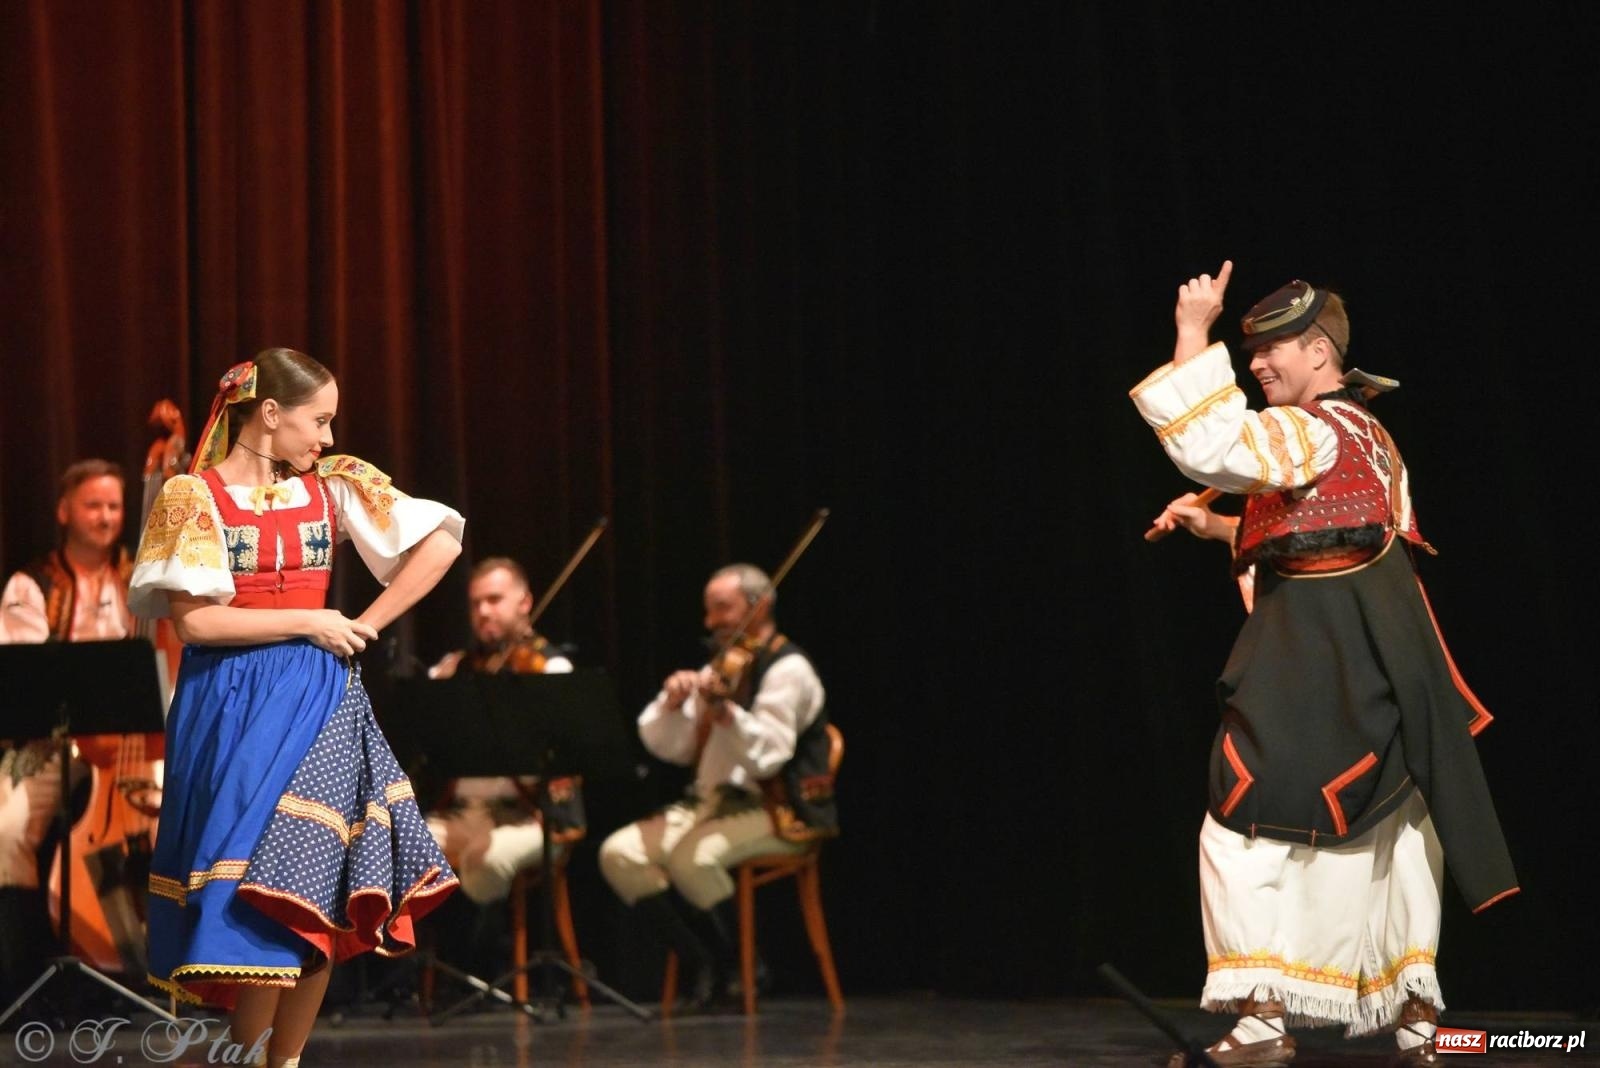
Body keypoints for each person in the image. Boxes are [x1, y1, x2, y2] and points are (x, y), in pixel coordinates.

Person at [1131, 262, 1517, 1066]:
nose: (1258, 365)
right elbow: (1331, 539)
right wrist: (1221, 531)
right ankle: (1418, 1021)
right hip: (1386, 659)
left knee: (1242, 816)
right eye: (1249, 351)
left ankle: (1265, 1022)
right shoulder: (1368, 436)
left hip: (1321, 665)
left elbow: (1215, 445)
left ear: (1318, 350)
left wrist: (1192, 332)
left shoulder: (1313, 429)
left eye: (1272, 351)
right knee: (1392, 825)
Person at [129, 349, 463, 1068]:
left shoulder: (332, 488)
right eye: (319, 419)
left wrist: (364, 622)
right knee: (253, 889)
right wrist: (312, 623)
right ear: (270, 414)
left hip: (318, 698)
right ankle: (248, 1060)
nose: (330, 438)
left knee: (312, 885)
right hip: (233, 703)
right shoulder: (195, 497)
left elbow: (440, 540)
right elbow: (196, 625)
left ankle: (285, 1061)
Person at [598, 563, 836, 1012]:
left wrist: (726, 714)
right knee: (619, 854)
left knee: (692, 860)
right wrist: (673, 701)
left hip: (775, 805)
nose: (711, 623)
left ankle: (746, 967)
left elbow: (769, 755)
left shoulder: (789, 670)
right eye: (709, 612)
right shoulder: (720, 666)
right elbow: (671, 746)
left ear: (759, 606)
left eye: (722, 609)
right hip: (708, 804)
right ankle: (707, 959)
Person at [0, 460, 147, 1004]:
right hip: (52, 747)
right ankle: (21, 982)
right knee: (6, 826)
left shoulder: (143, 582)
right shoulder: (30, 584)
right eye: (94, 505)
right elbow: (25, 681)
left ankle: (161, 968)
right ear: (65, 511)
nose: (106, 517)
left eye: (114, 506)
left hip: (132, 753)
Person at [420, 557, 586, 979]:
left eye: (494, 600)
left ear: (525, 602)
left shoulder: (550, 669)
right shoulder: (460, 667)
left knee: (484, 860)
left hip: (530, 815)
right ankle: (430, 972)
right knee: (399, 845)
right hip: (464, 813)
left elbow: (563, 755)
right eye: (477, 604)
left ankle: (479, 964)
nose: (484, 612)